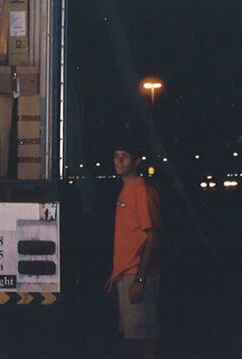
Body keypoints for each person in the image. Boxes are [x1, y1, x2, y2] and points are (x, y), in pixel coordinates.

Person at [104, 142, 161, 358]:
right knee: (133, 336)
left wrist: (139, 279)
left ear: (136, 161)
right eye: (116, 155)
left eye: (125, 156)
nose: (119, 160)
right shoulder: (125, 190)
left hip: (139, 276)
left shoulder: (142, 190)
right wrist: (115, 273)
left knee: (145, 338)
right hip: (126, 274)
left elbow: (152, 235)